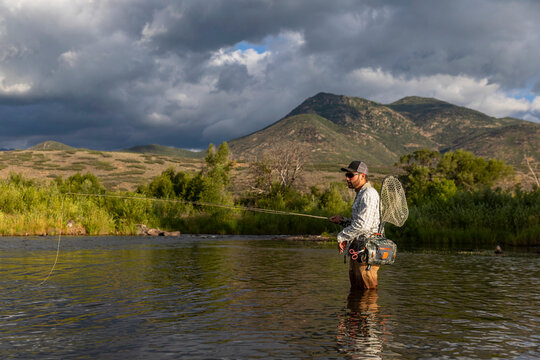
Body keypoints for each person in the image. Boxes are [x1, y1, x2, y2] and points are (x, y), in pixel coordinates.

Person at [330, 161, 381, 290]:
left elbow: (363, 225)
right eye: (346, 175)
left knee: (367, 295)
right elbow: (360, 223)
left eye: (351, 175)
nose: (347, 178)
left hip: (366, 254)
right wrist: (342, 221)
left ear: (362, 176)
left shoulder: (368, 194)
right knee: (356, 294)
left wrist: (342, 236)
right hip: (359, 252)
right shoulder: (361, 194)